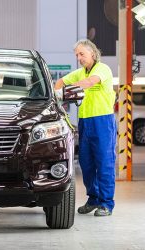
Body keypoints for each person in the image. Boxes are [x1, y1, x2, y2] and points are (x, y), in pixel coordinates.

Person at [54, 39, 116, 216]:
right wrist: (58, 95)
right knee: (86, 163)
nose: (79, 58)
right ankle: (94, 198)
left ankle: (106, 203)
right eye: (77, 55)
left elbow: (90, 82)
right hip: (85, 122)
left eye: (82, 54)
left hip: (103, 121)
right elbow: (60, 82)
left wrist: (66, 91)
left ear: (93, 54)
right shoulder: (79, 73)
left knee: (104, 163)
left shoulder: (102, 69)